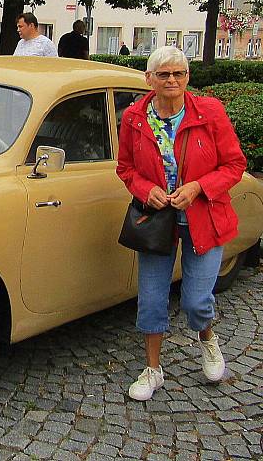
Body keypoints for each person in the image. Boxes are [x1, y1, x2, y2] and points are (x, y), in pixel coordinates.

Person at [116, 46, 246, 401]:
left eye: (179, 74)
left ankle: (207, 337)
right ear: (149, 79)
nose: (172, 80)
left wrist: (199, 187)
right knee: (152, 298)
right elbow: (125, 168)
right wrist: (147, 190)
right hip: (157, 220)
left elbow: (234, 165)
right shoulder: (133, 118)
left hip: (205, 218)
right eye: (164, 74)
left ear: (187, 78)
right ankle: (153, 370)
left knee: (195, 301)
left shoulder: (210, 112)